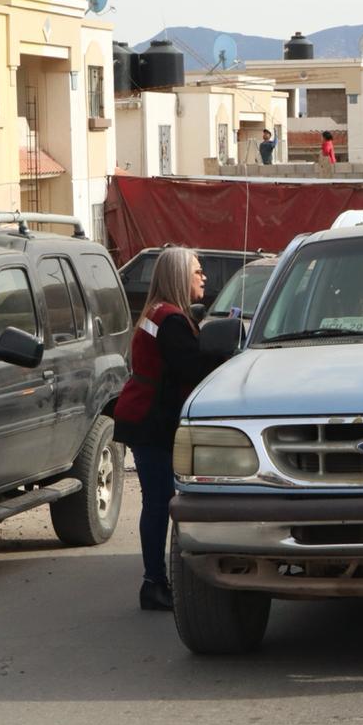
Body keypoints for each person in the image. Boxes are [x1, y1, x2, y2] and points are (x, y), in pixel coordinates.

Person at [113, 248, 226, 611]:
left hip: (143, 416)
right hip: (152, 421)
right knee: (160, 503)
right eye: (197, 270)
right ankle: (154, 583)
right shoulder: (173, 320)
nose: (203, 277)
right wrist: (227, 355)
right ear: (179, 275)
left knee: (156, 502)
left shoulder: (157, 312)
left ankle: (155, 581)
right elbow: (191, 368)